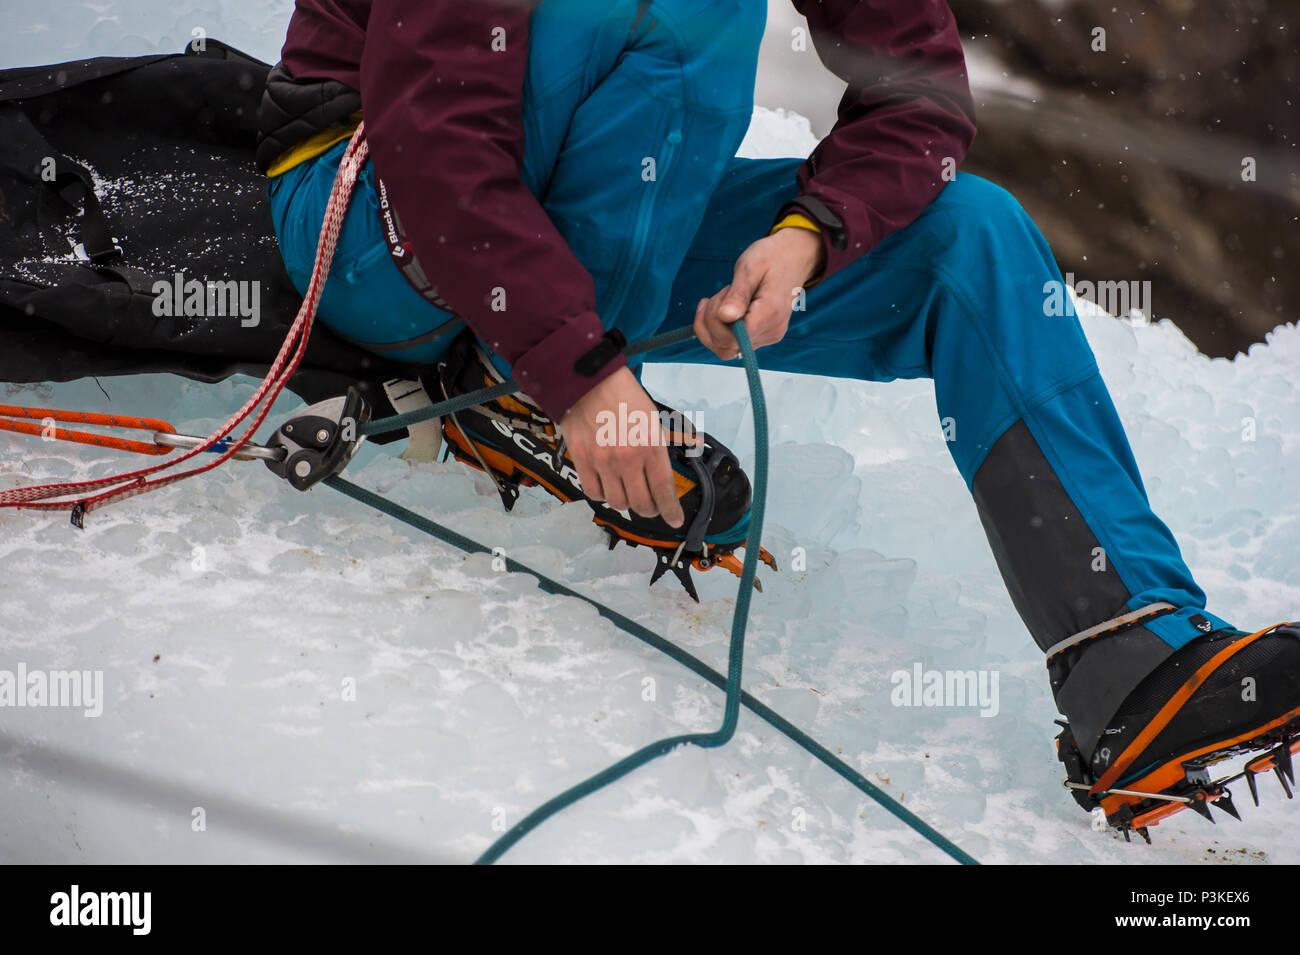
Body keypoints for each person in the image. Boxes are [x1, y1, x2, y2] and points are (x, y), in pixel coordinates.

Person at [256, 0, 1300, 838]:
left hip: (592, 234)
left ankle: (1128, 662)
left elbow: (919, 86)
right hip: (375, 220)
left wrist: (814, 226)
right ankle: (517, 378)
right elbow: (439, 145)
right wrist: (580, 378)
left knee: (968, 236)